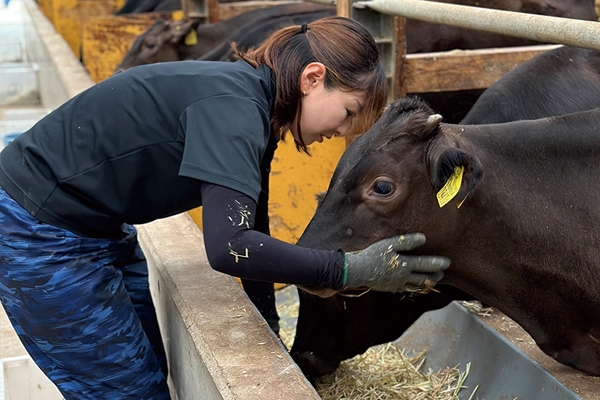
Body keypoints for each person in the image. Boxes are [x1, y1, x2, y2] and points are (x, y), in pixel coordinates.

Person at [0, 17, 450, 400]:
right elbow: (229, 246)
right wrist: (348, 270)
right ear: (313, 79)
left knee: (150, 373)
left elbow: (250, 217)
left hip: (97, 228)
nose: (343, 129)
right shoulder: (234, 111)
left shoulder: (254, 106)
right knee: (127, 390)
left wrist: (267, 325)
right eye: (349, 112)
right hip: (37, 232)